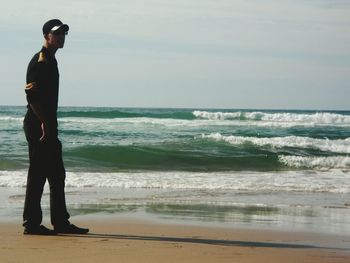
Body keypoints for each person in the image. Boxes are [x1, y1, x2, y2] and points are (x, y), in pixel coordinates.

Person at [23, 19, 89, 235]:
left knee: (57, 175)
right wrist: (44, 123)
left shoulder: (51, 60)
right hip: (38, 125)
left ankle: (60, 222)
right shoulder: (40, 61)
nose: (61, 37)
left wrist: (49, 124)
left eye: (63, 33)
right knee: (38, 176)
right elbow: (31, 96)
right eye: (56, 33)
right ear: (46, 36)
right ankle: (31, 224)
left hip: (48, 125)